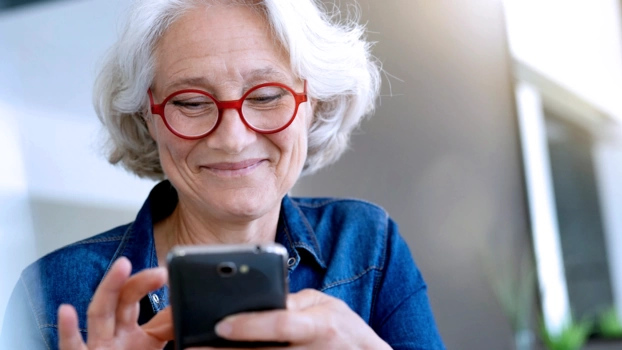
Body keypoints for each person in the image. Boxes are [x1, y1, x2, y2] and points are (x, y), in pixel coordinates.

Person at [1, 0, 445, 349]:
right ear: (147, 118)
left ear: (315, 103)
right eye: (191, 103)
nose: (232, 138)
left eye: (268, 96)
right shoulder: (49, 293)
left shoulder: (369, 244)